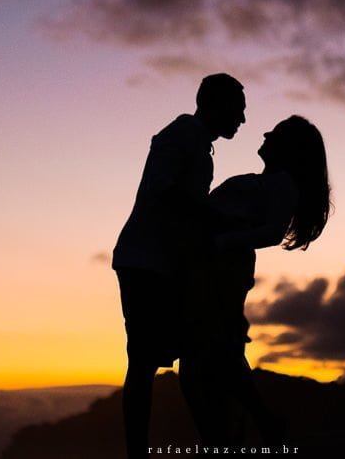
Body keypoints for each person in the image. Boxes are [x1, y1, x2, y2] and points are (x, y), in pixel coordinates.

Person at [112, 73, 246, 459]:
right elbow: (164, 191)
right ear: (214, 105)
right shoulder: (182, 135)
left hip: (160, 265)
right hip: (146, 262)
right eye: (237, 110)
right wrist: (217, 220)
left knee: (174, 357)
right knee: (143, 363)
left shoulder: (194, 142)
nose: (241, 120)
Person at [180, 115, 332, 445]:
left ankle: (247, 430)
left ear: (289, 148)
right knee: (209, 356)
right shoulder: (273, 182)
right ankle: (241, 432)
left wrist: (219, 242)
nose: (264, 133)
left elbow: (273, 232)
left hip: (222, 271)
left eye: (274, 133)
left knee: (207, 356)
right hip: (214, 269)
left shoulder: (282, 183)